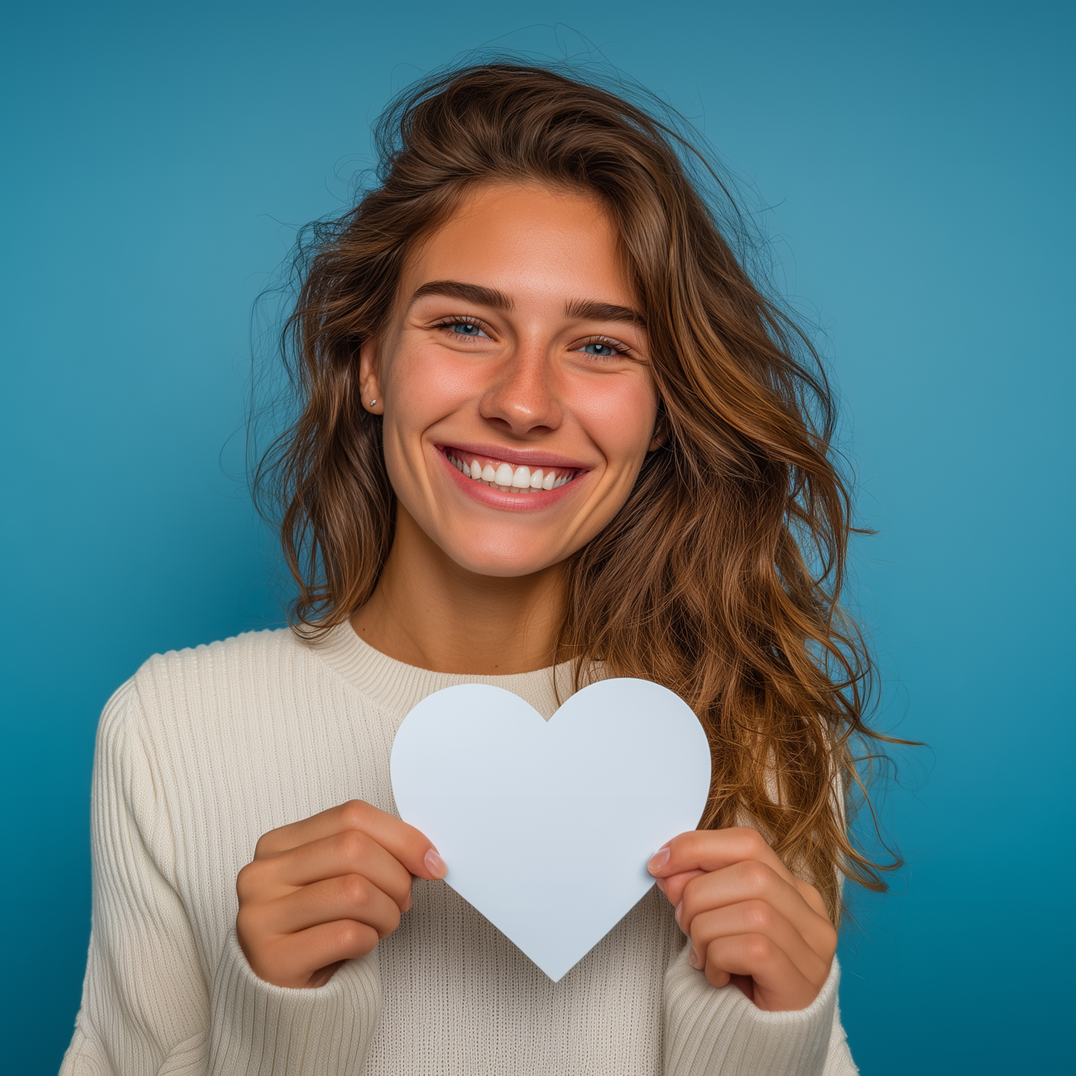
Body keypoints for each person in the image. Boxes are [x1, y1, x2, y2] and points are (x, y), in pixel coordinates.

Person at [61, 61, 899, 1075]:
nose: (523, 401)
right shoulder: (167, 731)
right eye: (464, 324)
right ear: (369, 360)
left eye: (597, 345)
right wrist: (275, 1010)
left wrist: (773, 1029)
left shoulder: (755, 727)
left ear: (659, 407)